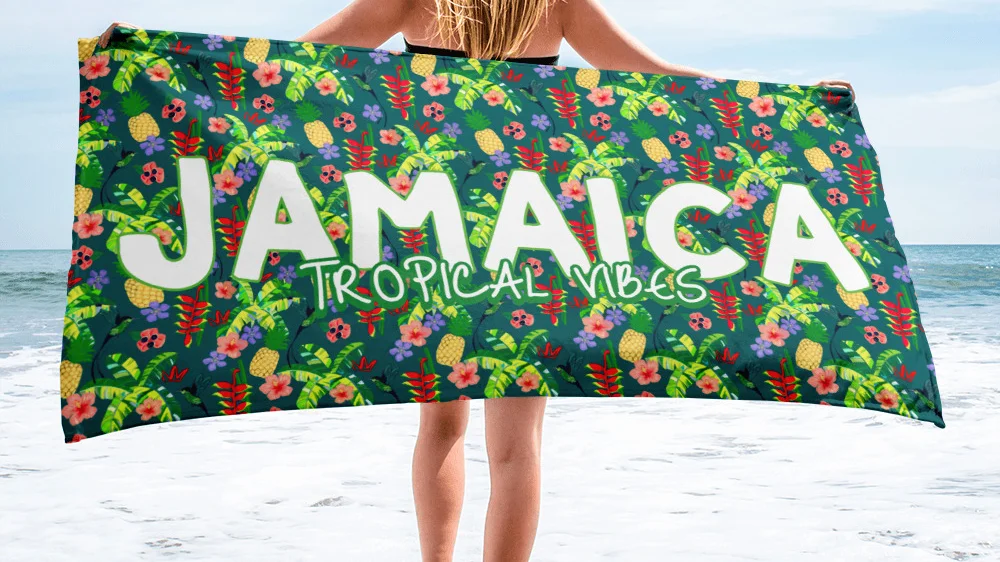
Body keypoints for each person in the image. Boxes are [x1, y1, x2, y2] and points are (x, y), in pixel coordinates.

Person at [100, 2, 852, 560]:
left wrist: (150, 61)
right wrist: (795, 102)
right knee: (518, 444)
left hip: (437, 228)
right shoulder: (555, 3)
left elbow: (284, 63)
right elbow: (658, 80)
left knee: (441, 425)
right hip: (533, 231)